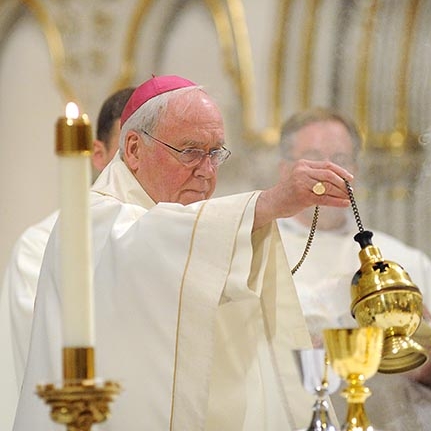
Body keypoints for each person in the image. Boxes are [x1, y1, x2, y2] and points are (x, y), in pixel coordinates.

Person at [12, 75, 354, 431]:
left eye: (215, 154)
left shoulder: (196, 229)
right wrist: (268, 203)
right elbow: (144, 248)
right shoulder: (90, 221)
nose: (207, 172)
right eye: (191, 151)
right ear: (132, 149)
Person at [276, 107, 431, 431]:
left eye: (340, 158)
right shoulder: (259, 255)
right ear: (286, 170)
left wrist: (425, 366)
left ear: (355, 169)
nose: (330, 172)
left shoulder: (400, 260)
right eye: (314, 159)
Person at [0, 87, 134, 431]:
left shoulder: (177, 241)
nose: (137, 166)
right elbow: (44, 359)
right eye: (128, 150)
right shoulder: (41, 245)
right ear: (97, 154)